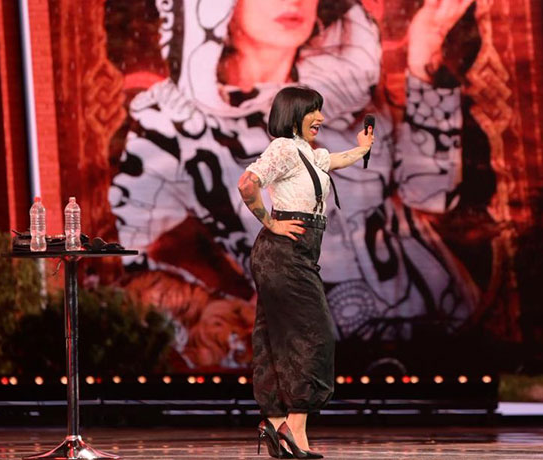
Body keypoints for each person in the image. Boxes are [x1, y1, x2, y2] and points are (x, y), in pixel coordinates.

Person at [109, 0, 478, 368]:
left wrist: (426, 55)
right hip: (296, 358)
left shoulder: (344, 88)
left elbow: (432, 194)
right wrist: (225, 312)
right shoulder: (169, 127)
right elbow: (136, 267)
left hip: (431, 330)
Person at [240, 85, 373, 458]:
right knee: (315, 335)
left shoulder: (307, 153)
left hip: (287, 255)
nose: (321, 118)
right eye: (314, 110)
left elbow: (333, 161)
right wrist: (270, 222)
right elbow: (247, 184)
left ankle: (273, 419)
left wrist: (362, 149)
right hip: (284, 254)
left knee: (273, 337)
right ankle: (294, 427)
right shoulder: (284, 148)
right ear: (294, 113)